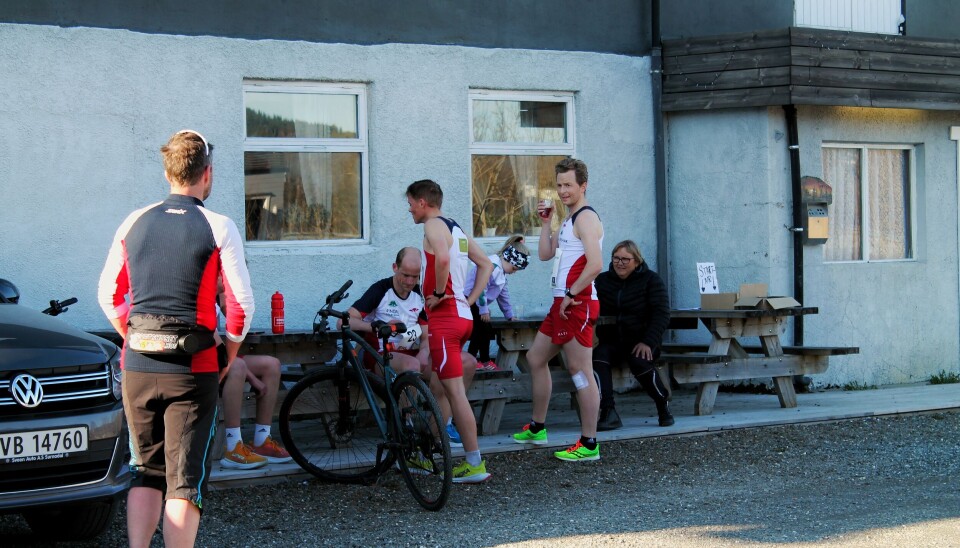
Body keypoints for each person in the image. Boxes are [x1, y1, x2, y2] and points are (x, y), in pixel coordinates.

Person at [98, 129, 255, 548]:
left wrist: (134, 336)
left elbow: (109, 295)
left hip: (137, 366)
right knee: (183, 482)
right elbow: (241, 308)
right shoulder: (218, 225)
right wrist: (228, 356)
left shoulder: (134, 221)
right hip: (194, 366)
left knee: (144, 471)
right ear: (208, 173)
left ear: (168, 171)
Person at [512, 158, 604, 462]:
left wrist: (570, 293)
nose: (563, 190)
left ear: (583, 185)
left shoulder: (586, 219)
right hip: (560, 302)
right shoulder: (568, 218)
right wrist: (545, 222)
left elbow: (595, 265)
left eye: (568, 185)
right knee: (535, 358)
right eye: (559, 185)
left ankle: (589, 443)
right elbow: (545, 254)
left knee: (580, 371)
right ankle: (538, 427)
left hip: (576, 303)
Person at [407, 179, 493, 483]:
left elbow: (442, 258)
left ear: (422, 202)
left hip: (445, 319)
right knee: (439, 388)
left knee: (455, 394)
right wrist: (467, 301)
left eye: (410, 203)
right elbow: (486, 265)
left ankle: (474, 463)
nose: (409, 210)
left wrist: (441, 292)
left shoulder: (432, 225)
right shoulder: (455, 227)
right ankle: (424, 452)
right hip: (462, 318)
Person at [345, 246, 474, 448]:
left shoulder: (421, 293)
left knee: (466, 362)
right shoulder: (380, 290)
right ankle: (406, 428)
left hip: (414, 355)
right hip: (382, 357)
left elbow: (426, 332)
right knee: (411, 366)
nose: (409, 282)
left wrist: (424, 351)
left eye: (415, 276)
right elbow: (345, 321)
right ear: (394, 267)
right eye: (405, 275)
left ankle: (439, 428)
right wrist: (374, 326)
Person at [593, 240, 672, 431]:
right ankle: (608, 411)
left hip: (642, 340)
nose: (620, 263)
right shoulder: (602, 281)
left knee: (639, 360)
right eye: (616, 258)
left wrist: (648, 342)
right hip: (613, 341)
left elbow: (662, 314)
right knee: (597, 357)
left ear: (636, 261)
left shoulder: (651, 280)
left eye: (625, 259)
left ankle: (663, 404)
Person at [216, 279, 292, 470]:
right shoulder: (198, 289)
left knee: (271, 365)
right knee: (239, 366)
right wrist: (251, 378)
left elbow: (232, 317)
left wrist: (232, 301)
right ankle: (233, 447)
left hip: (219, 352)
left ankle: (261, 441)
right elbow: (215, 342)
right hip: (205, 357)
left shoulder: (218, 292)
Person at [464, 235, 530, 370]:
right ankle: (473, 359)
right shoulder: (492, 267)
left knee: (486, 329)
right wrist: (483, 309)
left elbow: (503, 295)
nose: (514, 272)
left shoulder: (502, 274)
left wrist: (509, 315)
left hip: (478, 303)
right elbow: (481, 287)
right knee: (479, 329)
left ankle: (484, 360)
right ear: (508, 258)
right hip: (470, 300)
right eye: (514, 268)